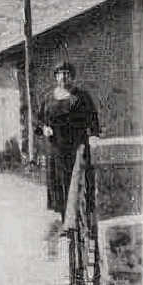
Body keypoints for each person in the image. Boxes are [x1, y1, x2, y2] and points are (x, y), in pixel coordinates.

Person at [36, 60, 100, 216]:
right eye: (60, 74)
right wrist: (44, 128)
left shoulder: (81, 97)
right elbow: (38, 122)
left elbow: (93, 119)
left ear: (72, 77)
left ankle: (84, 221)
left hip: (77, 148)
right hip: (56, 150)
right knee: (60, 184)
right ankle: (65, 222)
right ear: (55, 77)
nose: (63, 77)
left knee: (80, 183)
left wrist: (93, 136)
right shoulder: (48, 98)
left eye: (67, 74)